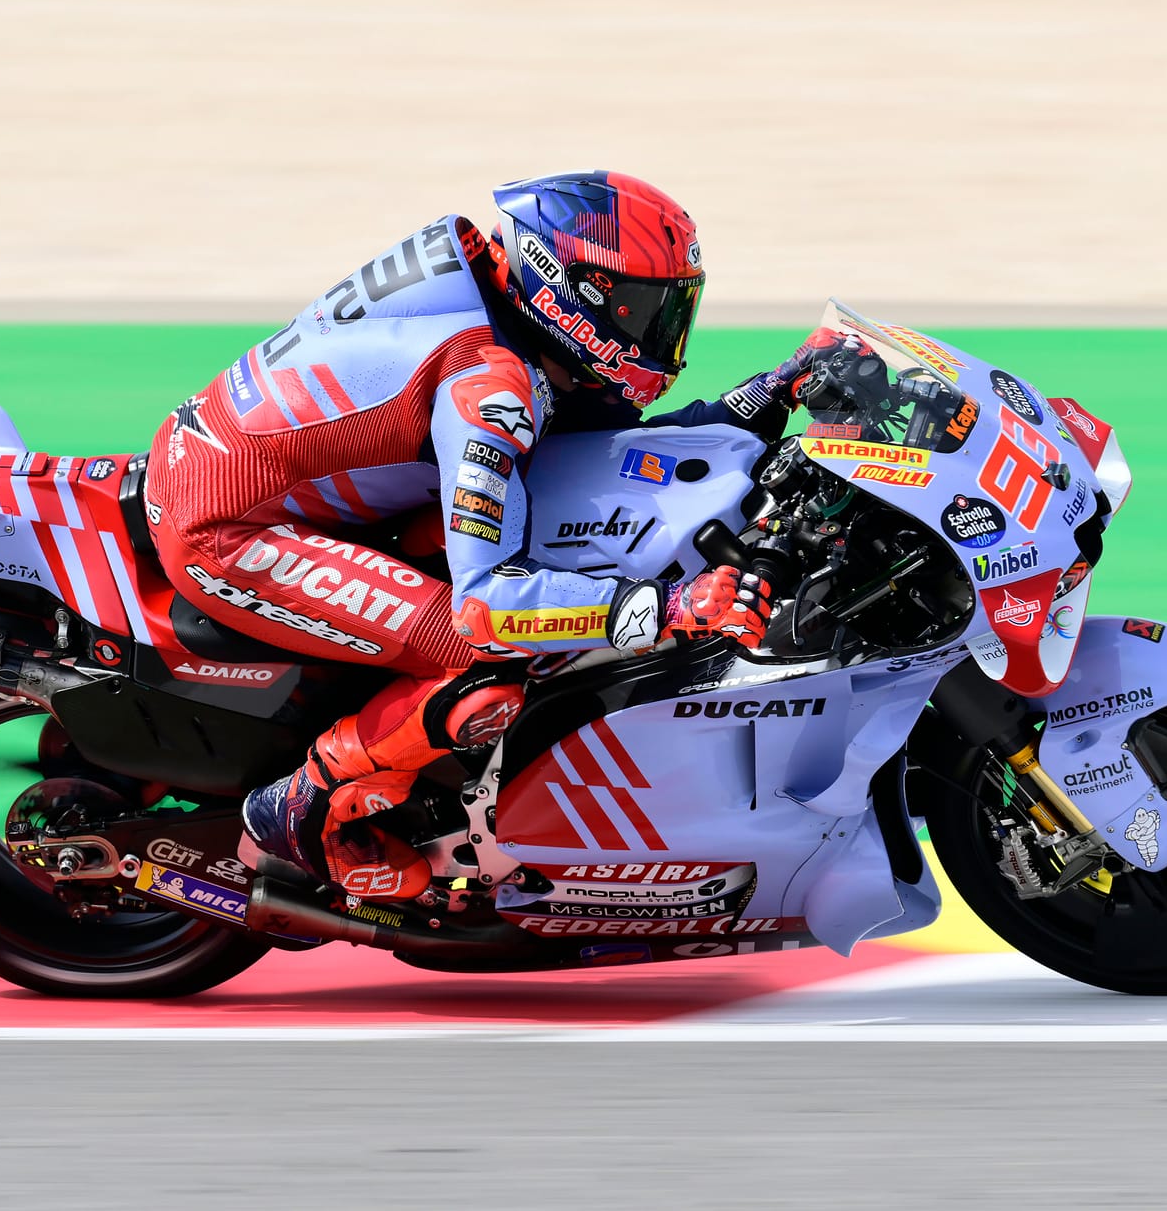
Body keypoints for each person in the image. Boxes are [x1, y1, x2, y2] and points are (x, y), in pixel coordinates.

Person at [146, 171, 837, 903]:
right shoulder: (490, 386)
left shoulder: (503, 303)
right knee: (491, 658)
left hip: (287, 482)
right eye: (642, 311)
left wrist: (775, 390)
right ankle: (302, 804)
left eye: (671, 310)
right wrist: (668, 606)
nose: (659, 334)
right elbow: (488, 607)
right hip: (230, 524)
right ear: (570, 291)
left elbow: (606, 443)